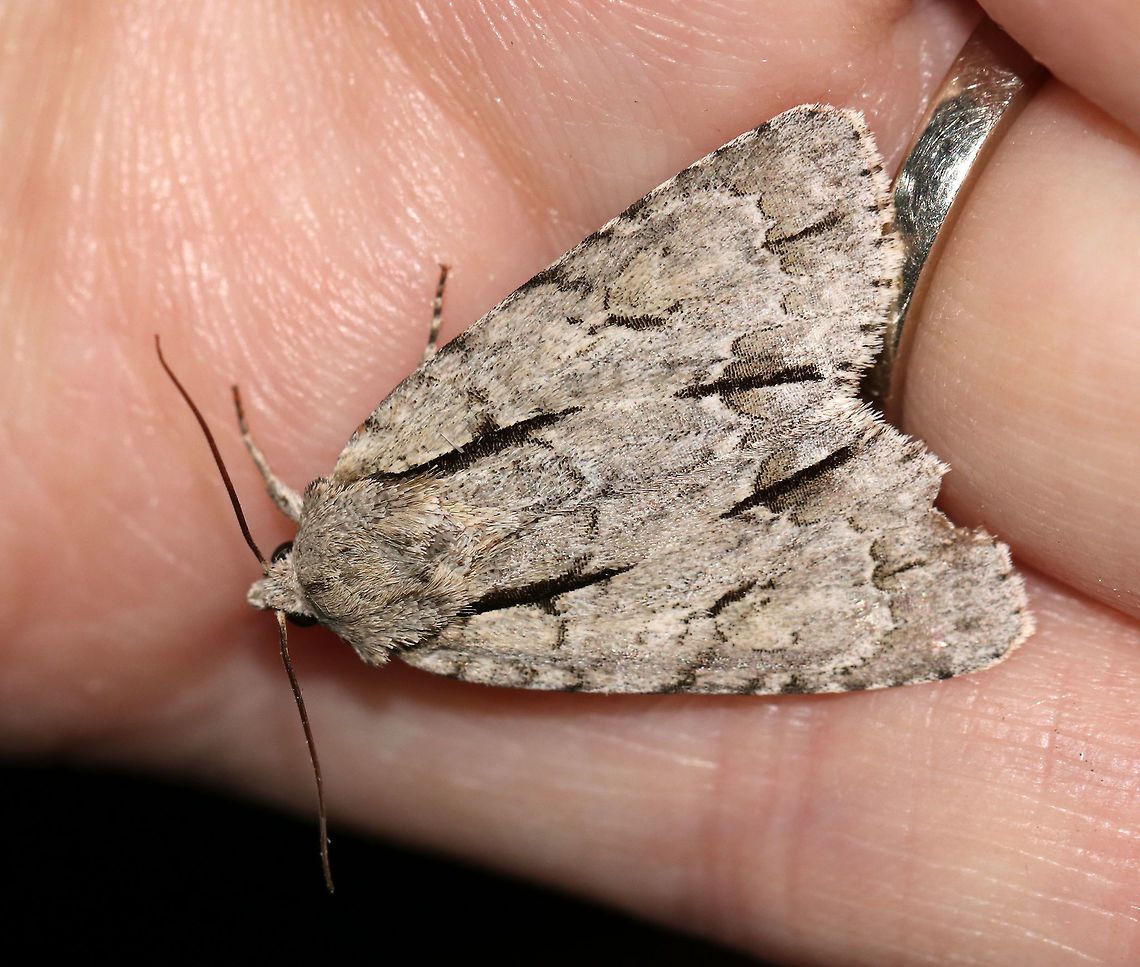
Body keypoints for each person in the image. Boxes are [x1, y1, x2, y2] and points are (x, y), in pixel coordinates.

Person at [4, 3, 1138, 961]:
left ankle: (885, 547)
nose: (272, 589)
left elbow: (627, 641)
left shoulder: (448, 646)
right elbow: (450, 364)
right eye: (287, 575)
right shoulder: (374, 471)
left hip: (667, 537)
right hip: (625, 353)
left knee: (708, 619)